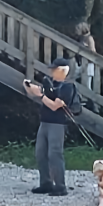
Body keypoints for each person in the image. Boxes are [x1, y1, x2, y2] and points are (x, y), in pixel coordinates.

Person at [24, 58, 78, 197]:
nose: (51, 71)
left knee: (54, 154)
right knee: (40, 153)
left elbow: (55, 106)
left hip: (57, 124)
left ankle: (60, 186)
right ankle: (46, 183)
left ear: (61, 70)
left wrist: (41, 95)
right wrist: (29, 87)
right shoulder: (50, 84)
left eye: (54, 69)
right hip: (44, 122)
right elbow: (37, 94)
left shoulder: (68, 87)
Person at [75, 21, 96, 92]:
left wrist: (86, 49)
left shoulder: (89, 38)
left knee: (87, 86)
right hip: (81, 63)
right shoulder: (82, 38)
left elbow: (93, 52)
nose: (76, 31)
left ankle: (90, 98)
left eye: (78, 29)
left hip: (88, 64)